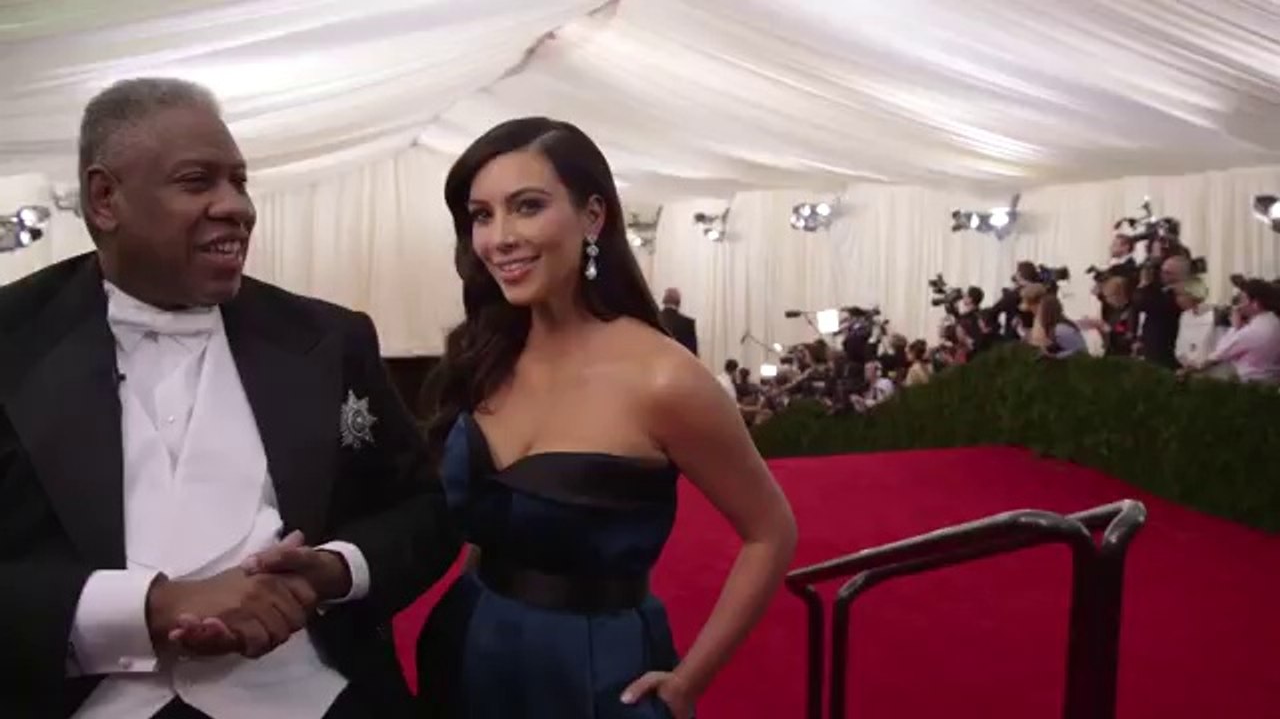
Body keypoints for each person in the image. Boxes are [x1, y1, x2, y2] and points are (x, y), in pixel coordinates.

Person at [0, 78, 460, 718]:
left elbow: (421, 513)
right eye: (197, 181)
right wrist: (151, 609)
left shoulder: (327, 338)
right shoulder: (12, 341)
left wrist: (332, 569)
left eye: (239, 182)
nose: (235, 207)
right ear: (105, 199)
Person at [416, 117, 797, 719]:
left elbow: (771, 530)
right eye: (482, 215)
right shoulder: (485, 355)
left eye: (527, 206)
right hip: (466, 645)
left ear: (593, 217)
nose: (499, 237)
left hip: (589, 674)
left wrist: (689, 681)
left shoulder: (664, 378)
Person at [659, 287, 698, 356]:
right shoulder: (688, 323)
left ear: (664, 301)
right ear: (679, 302)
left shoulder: (654, 319)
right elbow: (692, 355)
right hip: (679, 364)